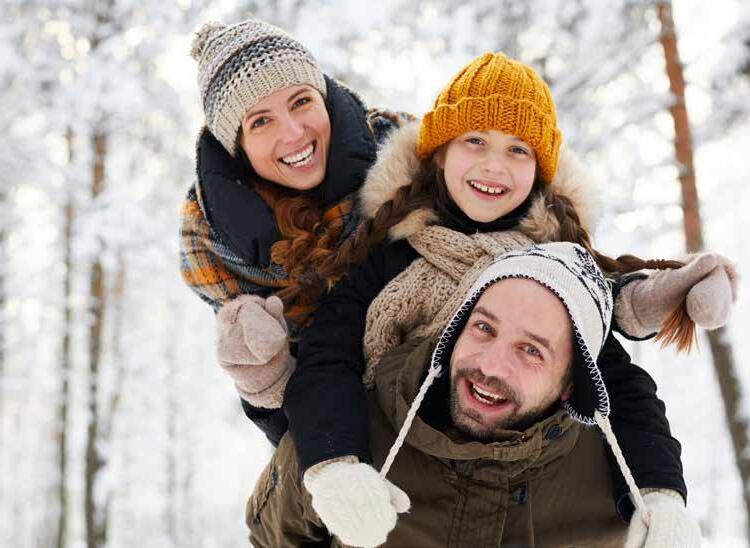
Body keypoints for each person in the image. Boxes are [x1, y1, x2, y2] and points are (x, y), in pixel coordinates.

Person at [282, 52, 737, 546]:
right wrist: (336, 462)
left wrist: (659, 493)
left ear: (539, 170)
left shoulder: (554, 278)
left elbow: (620, 386)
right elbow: (327, 357)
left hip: (522, 488)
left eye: (518, 149)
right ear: (440, 153)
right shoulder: (390, 256)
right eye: (475, 140)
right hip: (404, 480)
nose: (494, 165)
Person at [248, 243, 702, 547]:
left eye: (531, 350)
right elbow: (270, 537)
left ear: (570, 384)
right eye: (484, 327)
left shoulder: (617, 484)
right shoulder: (347, 436)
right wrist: (316, 480)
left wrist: (664, 499)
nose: (491, 365)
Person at [180, 17, 410, 444]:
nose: (292, 132)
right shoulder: (227, 252)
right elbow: (293, 439)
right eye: (260, 122)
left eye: (301, 101)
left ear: (323, 97)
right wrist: (265, 385)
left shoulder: (407, 164)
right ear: (239, 148)